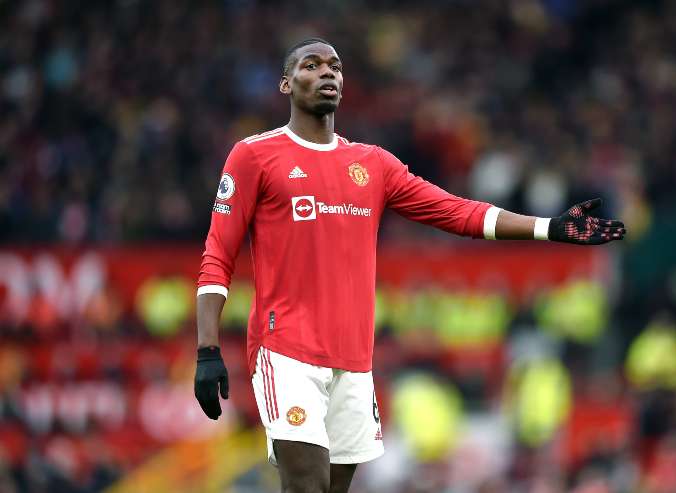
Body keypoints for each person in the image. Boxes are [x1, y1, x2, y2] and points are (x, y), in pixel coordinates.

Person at [194, 37, 626, 493]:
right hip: (286, 353)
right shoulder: (254, 156)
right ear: (286, 83)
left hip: (354, 362)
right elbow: (217, 255)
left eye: (335, 67)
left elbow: (458, 212)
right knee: (306, 487)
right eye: (312, 65)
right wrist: (207, 350)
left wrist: (548, 228)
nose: (327, 73)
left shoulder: (372, 164)